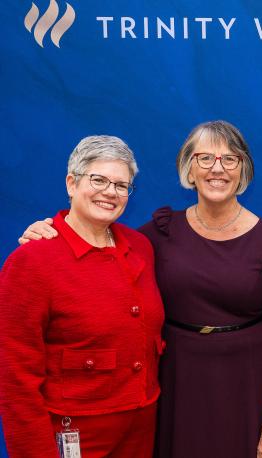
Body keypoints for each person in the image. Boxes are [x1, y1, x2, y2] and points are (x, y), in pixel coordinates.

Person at [17, 121, 262, 458]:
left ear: (243, 171)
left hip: (247, 391)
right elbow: (100, 240)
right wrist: (51, 232)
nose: (217, 169)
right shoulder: (158, 234)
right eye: (205, 158)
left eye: (230, 159)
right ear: (189, 169)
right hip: (177, 391)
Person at [0, 135, 164, 457]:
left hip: (141, 428)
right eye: (99, 179)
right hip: (74, 434)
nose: (110, 192)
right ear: (71, 183)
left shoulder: (140, 246)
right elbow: (15, 380)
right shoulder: (32, 261)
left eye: (121, 185)